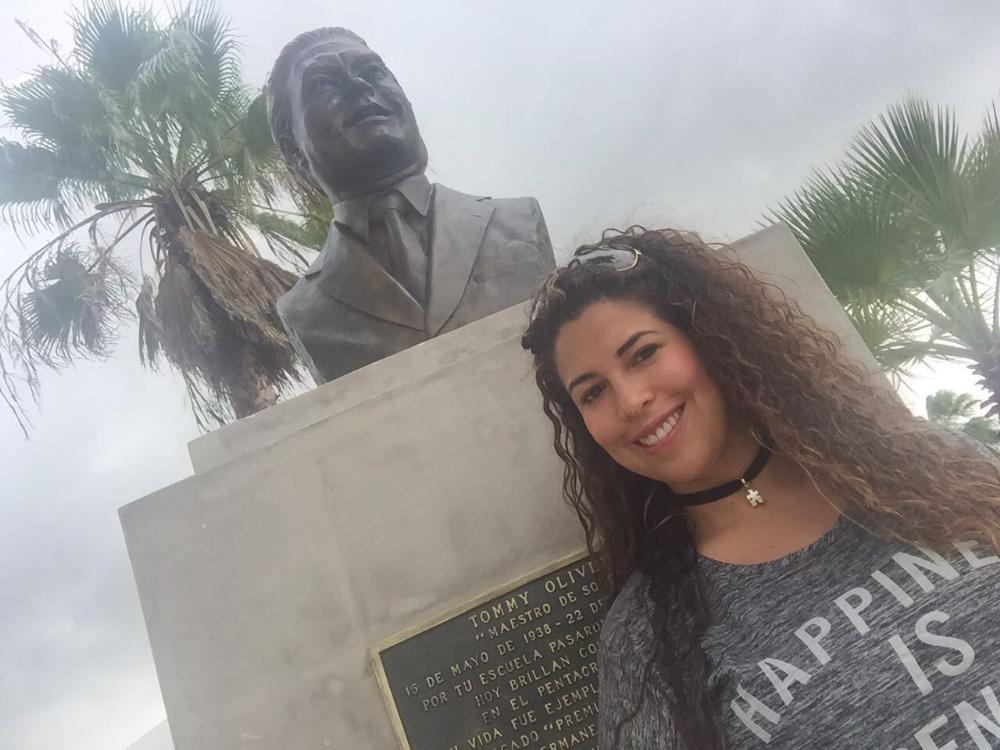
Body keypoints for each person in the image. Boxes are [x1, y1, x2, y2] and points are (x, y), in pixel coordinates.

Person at [520, 227, 1000, 749]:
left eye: (643, 354)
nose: (631, 400)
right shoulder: (646, 638)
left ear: (707, 338)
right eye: (593, 393)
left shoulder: (933, 463)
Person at [265, 27, 554, 384]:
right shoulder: (303, 312)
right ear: (293, 149)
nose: (358, 85)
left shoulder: (519, 221)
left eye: (372, 71)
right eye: (324, 83)